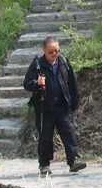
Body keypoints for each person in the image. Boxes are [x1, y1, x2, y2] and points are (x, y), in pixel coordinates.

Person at [23, 36, 86, 175]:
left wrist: (74, 101)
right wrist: (37, 84)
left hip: (62, 105)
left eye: (57, 51)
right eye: (51, 52)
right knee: (45, 137)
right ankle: (44, 165)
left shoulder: (63, 62)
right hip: (44, 107)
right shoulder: (37, 64)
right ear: (44, 50)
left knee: (69, 133)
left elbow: (72, 83)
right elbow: (26, 84)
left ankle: (74, 160)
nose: (54, 54)